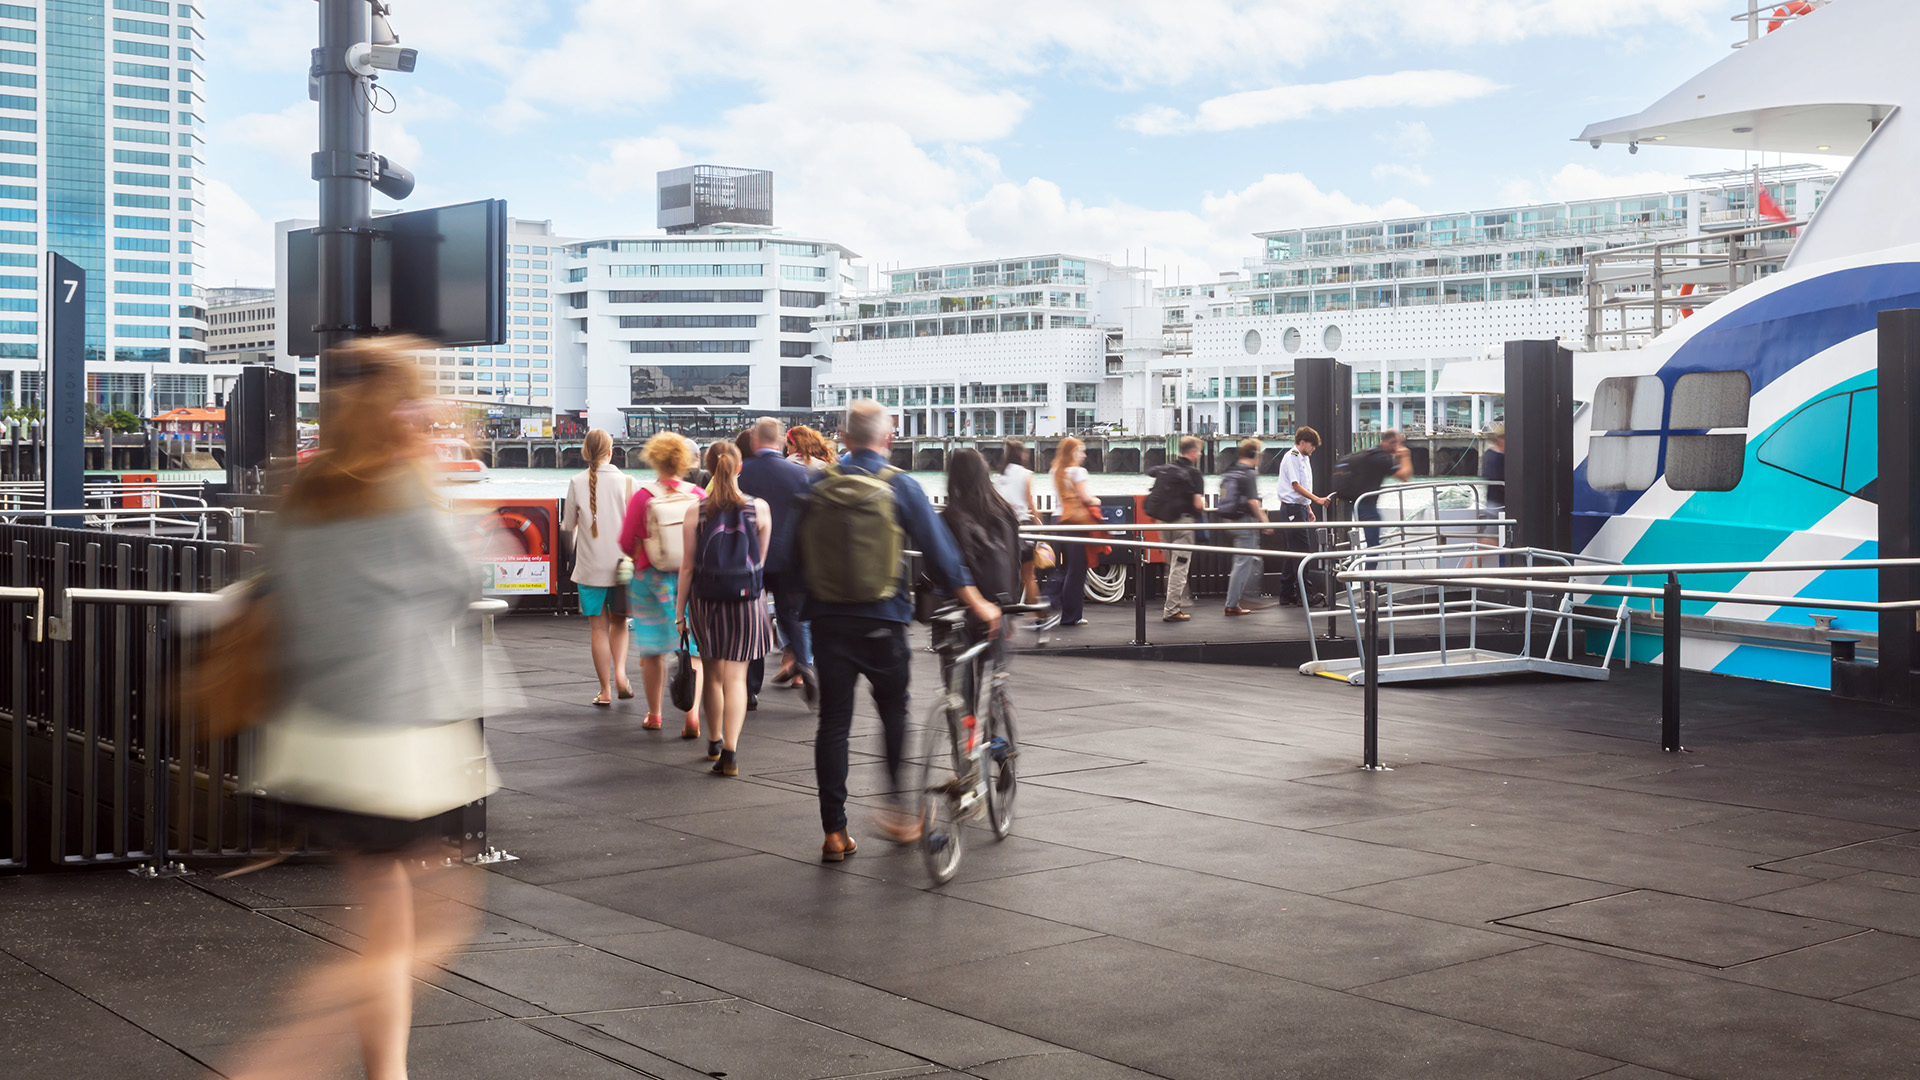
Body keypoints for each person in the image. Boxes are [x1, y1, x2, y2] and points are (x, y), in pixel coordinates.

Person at [230, 337, 490, 1080]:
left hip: (315, 735)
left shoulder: (306, 491)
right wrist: (434, 478)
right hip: (390, 746)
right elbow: (460, 582)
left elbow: (282, 588)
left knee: (393, 911)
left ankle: (385, 1069)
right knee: (428, 919)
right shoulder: (401, 490)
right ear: (399, 409)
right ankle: (287, 1054)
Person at [799, 399, 1000, 862]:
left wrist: (797, 616)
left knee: (834, 722)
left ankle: (834, 832)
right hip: (883, 620)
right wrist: (977, 602)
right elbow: (941, 554)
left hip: (827, 621)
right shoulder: (900, 486)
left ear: (843, 438)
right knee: (893, 712)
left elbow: (791, 554)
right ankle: (897, 809)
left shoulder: (815, 484)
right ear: (888, 438)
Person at [675, 441, 774, 778]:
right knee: (736, 678)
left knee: (713, 674)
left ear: (708, 468)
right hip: (747, 601)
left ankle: (714, 741)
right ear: (739, 467)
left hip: (706, 601)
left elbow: (687, 567)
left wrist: (679, 613)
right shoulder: (759, 509)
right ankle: (730, 753)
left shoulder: (695, 511)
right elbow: (759, 561)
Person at [618, 432, 705, 736]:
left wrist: (640, 553)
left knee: (653, 651)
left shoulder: (644, 496)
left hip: (650, 579)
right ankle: (692, 716)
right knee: (693, 649)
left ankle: (655, 714)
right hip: (690, 581)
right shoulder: (698, 494)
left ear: (653, 459)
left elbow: (626, 541)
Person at [739, 416, 816, 703]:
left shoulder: (743, 472)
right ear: (782, 441)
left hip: (751, 557)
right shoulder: (799, 474)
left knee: (754, 620)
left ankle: (750, 687)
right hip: (789, 558)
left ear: (754, 440)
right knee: (789, 615)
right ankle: (804, 663)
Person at [565, 429, 635, 706]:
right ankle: (621, 675)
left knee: (598, 629)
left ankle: (605, 690)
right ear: (610, 451)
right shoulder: (628, 481)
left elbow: (568, 526)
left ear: (585, 452)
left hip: (589, 567)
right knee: (619, 623)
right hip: (622, 568)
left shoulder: (576, 481)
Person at [944, 447, 1022, 613]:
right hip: (1004, 599)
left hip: (969, 604)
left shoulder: (953, 516)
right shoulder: (1004, 510)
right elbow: (1015, 557)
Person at [1145, 436, 1205, 622]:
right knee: (1180, 566)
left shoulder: (1167, 469)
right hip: (1182, 524)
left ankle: (1179, 600)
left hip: (1163, 523)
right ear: (1192, 452)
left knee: (1171, 565)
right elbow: (1198, 505)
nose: (1200, 455)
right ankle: (1172, 609)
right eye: (1199, 451)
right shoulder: (1194, 473)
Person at [1044, 436, 1099, 628]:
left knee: (1062, 567)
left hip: (1057, 522)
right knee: (1076, 570)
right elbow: (1086, 498)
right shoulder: (1078, 472)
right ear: (1073, 453)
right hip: (1074, 524)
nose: (1084, 455)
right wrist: (1096, 500)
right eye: (1081, 451)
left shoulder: (1055, 470)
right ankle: (1071, 615)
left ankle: (1045, 602)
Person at [1274, 427, 1331, 606]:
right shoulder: (1292, 457)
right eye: (1312, 445)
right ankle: (1305, 595)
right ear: (1303, 442)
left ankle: (1287, 593)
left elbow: (1302, 487)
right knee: (1302, 552)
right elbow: (1296, 485)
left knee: (1293, 552)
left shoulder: (1304, 458)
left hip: (1298, 508)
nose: (1314, 448)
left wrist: (1308, 508)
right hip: (1292, 509)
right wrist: (1317, 500)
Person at [1220, 438, 1273, 616]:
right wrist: (1264, 521)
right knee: (1243, 562)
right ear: (1253, 454)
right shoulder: (1249, 474)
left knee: (1246, 559)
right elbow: (1252, 501)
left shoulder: (1232, 471)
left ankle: (1242, 599)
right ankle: (1235, 602)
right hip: (1244, 522)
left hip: (1229, 521)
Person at [1343, 428, 1414, 547]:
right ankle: (1370, 560)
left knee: (1368, 541)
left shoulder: (1371, 453)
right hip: (1367, 505)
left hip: (1352, 501)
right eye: (1399, 443)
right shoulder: (1382, 458)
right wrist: (1405, 455)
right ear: (1393, 442)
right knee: (1373, 545)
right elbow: (1404, 476)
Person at [992, 438, 1043, 604]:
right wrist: (1039, 525)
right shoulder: (1025, 474)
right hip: (1023, 527)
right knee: (1028, 575)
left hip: (1002, 528)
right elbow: (1030, 502)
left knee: (1006, 573)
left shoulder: (999, 476)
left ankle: (1007, 607)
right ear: (1021, 455)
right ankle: (1037, 613)